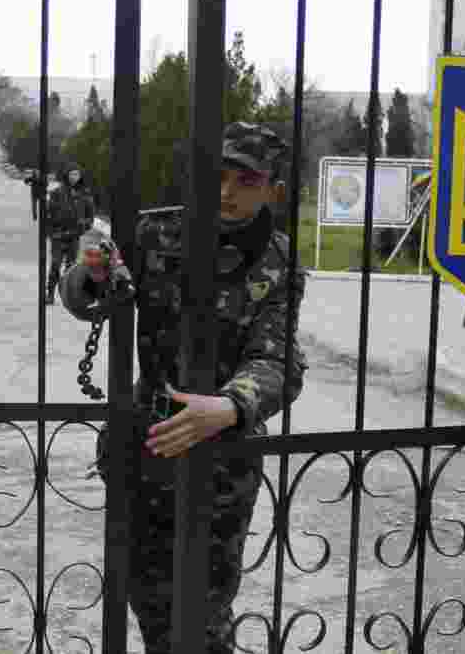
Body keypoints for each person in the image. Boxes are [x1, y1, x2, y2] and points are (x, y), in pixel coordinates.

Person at [59, 122, 307, 653]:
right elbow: (87, 295)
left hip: (221, 455)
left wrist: (229, 406)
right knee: (148, 600)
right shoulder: (155, 232)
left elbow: (279, 355)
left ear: (272, 188)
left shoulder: (277, 259)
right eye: (219, 175)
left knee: (204, 610)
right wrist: (91, 271)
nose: (226, 191)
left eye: (246, 179)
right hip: (145, 442)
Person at [45, 163, 95, 305]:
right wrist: (51, 232)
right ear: (67, 175)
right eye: (72, 174)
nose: (74, 177)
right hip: (58, 236)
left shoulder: (85, 194)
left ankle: (67, 296)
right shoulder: (57, 193)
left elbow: (90, 218)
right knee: (55, 264)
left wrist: (82, 225)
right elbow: (48, 215)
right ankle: (50, 293)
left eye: (77, 174)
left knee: (71, 268)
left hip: (74, 236)